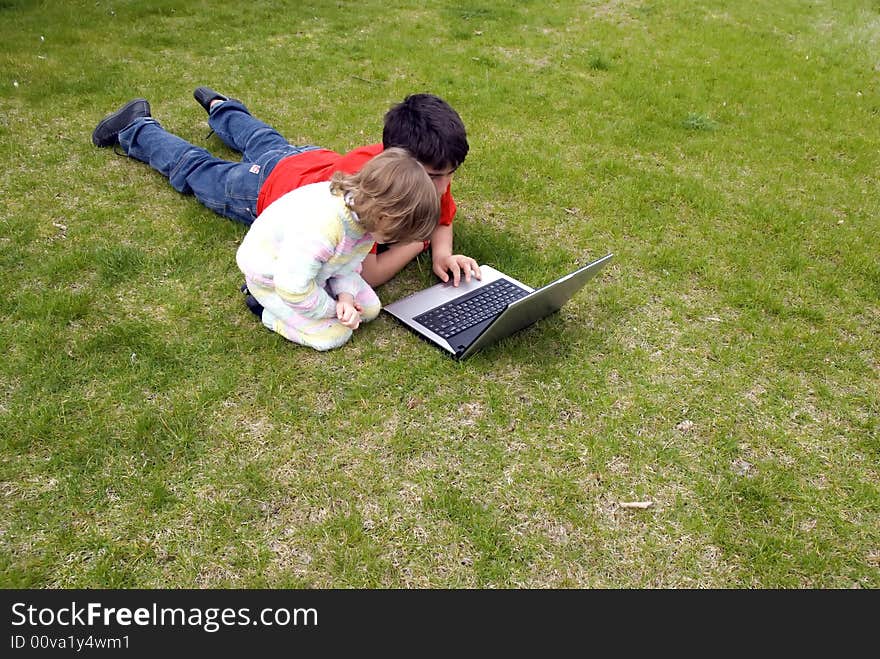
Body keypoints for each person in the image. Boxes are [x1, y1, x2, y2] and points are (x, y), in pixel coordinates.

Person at [91, 89, 482, 291]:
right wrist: (418, 243)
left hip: (307, 158)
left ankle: (221, 106)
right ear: (397, 160)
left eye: (450, 174)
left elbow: (443, 215)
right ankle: (136, 128)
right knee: (200, 170)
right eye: (435, 177)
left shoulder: (422, 175)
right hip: (268, 189)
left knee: (265, 138)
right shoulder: (356, 204)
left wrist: (442, 254)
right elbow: (369, 273)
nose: (442, 186)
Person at [235, 147, 438, 350]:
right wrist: (334, 310)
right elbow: (292, 287)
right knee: (334, 335)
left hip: (315, 270)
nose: (399, 243)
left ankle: (317, 298)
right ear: (384, 216)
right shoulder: (323, 229)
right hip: (275, 279)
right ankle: (267, 312)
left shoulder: (366, 220)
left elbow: (348, 263)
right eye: (398, 235)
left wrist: (346, 298)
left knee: (370, 309)